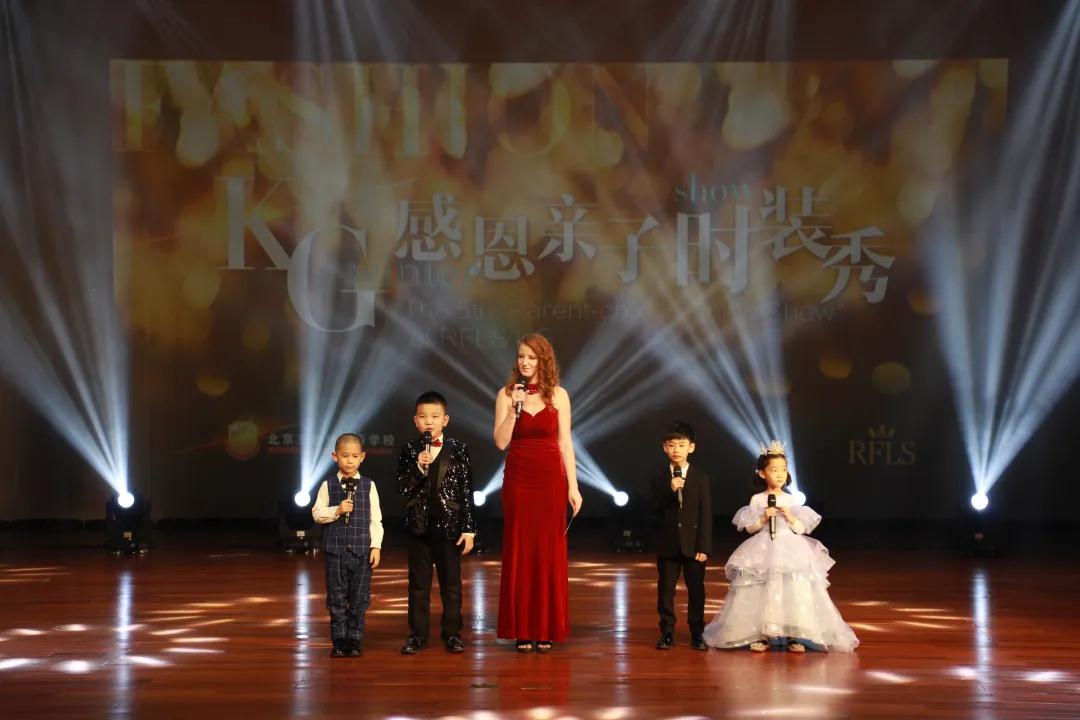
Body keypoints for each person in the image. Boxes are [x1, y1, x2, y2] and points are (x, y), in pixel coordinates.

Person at [702, 442, 859, 653]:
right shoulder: (757, 499)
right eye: (774, 470)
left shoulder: (791, 499)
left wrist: (790, 516)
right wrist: (763, 518)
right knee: (762, 588)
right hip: (763, 547)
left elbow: (801, 529)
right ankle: (762, 633)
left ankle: (794, 634)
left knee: (793, 588)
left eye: (783, 470)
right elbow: (749, 528)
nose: (779, 474)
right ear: (762, 473)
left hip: (790, 548)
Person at [493, 333, 582, 653]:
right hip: (519, 479)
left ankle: (545, 627)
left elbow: (565, 443)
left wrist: (573, 486)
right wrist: (514, 411)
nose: (525, 362)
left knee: (547, 551)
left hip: (550, 480)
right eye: (521, 356)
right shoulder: (506, 395)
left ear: (544, 360)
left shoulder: (559, 396)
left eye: (531, 357)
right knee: (520, 548)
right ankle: (521, 629)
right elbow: (500, 442)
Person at [398, 390, 477, 655]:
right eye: (423, 417)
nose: (429, 422)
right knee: (418, 585)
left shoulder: (459, 449)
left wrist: (469, 528)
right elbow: (402, 487)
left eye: (434, 416)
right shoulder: (410, 449)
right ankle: (418, 635)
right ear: (415, 421)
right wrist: (419, 467)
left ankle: (452, 633)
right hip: (418, 526)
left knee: (451, 584)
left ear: (445, 420)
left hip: (449, 525)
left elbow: (466, 491)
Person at [312, 433, 383, 658]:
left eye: (354, 456)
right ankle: (339, 640)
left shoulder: (369, 485)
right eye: (344, 456)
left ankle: (354, 639)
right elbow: (316, 513)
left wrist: (376, 546)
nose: (349, 461)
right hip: (335, 552)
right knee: (336, 597)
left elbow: (375, 519)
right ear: (335, 457)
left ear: (362, 457)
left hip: (361, 552)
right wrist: (337, 510)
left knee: (359, 598)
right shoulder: (328, 485)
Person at [652, 421, 712, 651]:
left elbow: (705, 514)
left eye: (681, 445)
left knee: (696, 591)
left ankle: (697, 632)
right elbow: (653, 508)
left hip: (693, 545)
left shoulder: (701, 478)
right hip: (668, 544)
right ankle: (667, 632)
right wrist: (670, 489)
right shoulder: (659, 477)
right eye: (671, 445)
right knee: (666, 591)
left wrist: (704, 547)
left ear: (691, 447)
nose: (676, 449)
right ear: (664, 447)